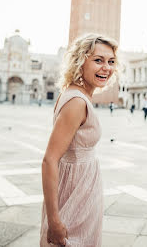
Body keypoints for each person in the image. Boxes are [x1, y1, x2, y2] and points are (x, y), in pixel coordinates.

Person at [40, 34, 118, 247]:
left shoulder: (75, 94)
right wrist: (54, 220)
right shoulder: (76, 101)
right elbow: (49, 161)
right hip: (75, 196)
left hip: (81, 191)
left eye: (111, 62)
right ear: (80, 61)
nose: (106, 68)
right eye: (98, 60)